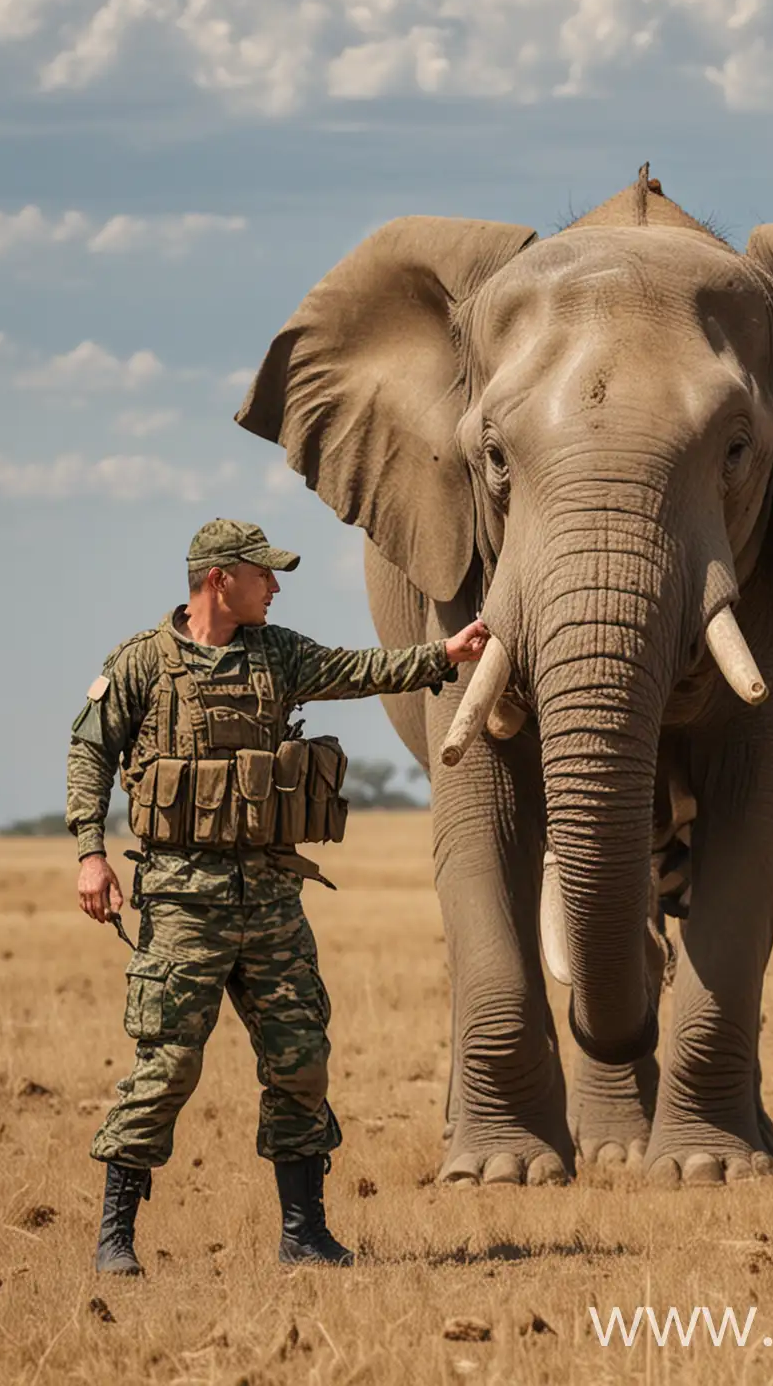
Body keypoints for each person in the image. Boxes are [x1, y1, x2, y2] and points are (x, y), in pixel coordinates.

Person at [66, 518, 488, 1275]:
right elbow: (89, 750)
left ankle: (305, 1235)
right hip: (182, 904)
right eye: (265, 574)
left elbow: (356, 669)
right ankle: (115, 1239)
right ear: (220, 578)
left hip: (270, 901)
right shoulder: (142, 665)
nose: (277, 585)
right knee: (166, 1068)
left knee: (300, 1062)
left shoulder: (278, 654)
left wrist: (444, 656)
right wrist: (91, 854)